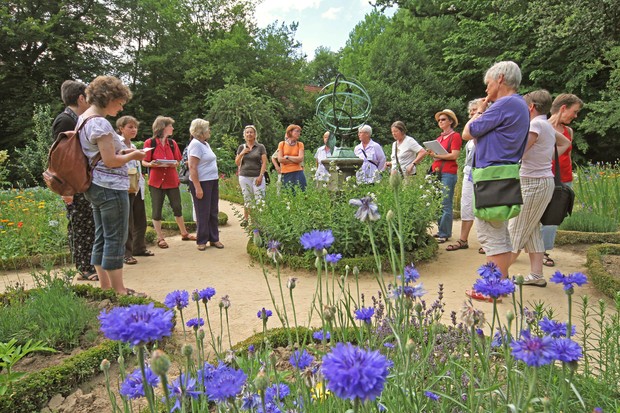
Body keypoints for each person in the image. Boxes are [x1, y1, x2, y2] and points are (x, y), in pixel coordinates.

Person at [462, 61, 530, 301]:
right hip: (501, 174)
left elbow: (467, 132)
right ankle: (500, 284)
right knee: (498, 231)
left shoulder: (505, 104)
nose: (486, 89)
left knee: (490, 233)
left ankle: (492, 290)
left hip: (492, 175)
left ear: (500, 78)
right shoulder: (518, 104)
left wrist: (480, 109)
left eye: (488, 83)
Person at [78, 76, 146, 295]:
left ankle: (106, 286)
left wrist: (124, 153)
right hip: (110, 187)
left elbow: (102, 154)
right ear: (108, 98)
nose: (121, 105)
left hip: (95, 186)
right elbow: (110, 161)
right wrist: (134, 155)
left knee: (102, 236)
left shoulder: (84, 119)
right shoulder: (100, 122)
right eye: (119, 100)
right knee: (115, 238)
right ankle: (120, 291)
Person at [509, 90, 571, 287]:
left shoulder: (535, 124)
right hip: (541, 181)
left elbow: (517, 152)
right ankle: (537, 276)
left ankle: (495, 278)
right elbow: (565, 142)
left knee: (515, 230)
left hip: (533, 183)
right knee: (533, 229)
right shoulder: (546, 124)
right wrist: (545, 158)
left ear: (531, 107)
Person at [51, 80, 97, 281]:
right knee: (80, 225)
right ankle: (85, 268)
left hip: (79, 181)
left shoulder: (74, 119)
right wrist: (66, 190)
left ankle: (89, 264)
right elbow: (60, 158)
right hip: (72, 183)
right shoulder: (65, 121)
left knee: (87, 223)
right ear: (80, 98)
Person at [541, 94, 584, 267]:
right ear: (563, 108)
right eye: (574, 111)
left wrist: (570, 174)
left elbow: (567, 155)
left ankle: (544, 251)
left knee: (553, 217)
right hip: (544, 178)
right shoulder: (542, 127)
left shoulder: (569, 131)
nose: (575, 116)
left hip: (564, 180)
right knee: (534, 215)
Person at [142, 116, 196, 248]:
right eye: (170, 126)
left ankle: (184, 233)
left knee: (177, 207)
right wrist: (152, 164)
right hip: (156, 182)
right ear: (163, 127)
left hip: (171, 180)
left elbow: (178, 161)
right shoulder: (149, 143)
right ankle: (160, 238)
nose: (172, 128)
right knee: (156, 210)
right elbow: (144, 161)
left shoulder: (172, 143)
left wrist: (174, 164)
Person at [447, 99, 484, 252]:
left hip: (483, 172)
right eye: (470, 112)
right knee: (466, 205)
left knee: (483, 206)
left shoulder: (488, 128)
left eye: (474, 110)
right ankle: (463, 240)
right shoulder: (471, 130)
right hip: (469, 171)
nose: (471, 114)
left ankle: (486, 242)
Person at [117, 116, 154, 265]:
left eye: (135, 127)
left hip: (137, 185)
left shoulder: (132, 145)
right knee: (128, 221)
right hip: (125, 186)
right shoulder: (117, 144)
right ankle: (127, 253)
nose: (134, 130)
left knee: (141, 219)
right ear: (121, 128)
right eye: (130, 127)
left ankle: (139, 247)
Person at [187, 119, 223, 250]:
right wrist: (197, 187)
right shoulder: (195, 144)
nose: (210, 131)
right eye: (208, 129)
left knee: (213, 210)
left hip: (212, 180)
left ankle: (214, 238)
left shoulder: (205, 144)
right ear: (200, 132)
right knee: (203, 212)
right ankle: (201, 240)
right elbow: (192, 167)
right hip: (202, 182)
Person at [427, 110, 462, 243]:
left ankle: (445, 233)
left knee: (445, 203)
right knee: (437, 202)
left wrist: (436, 155)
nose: (440, 122)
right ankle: (442, 230)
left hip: (448, 172)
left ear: (451, 121)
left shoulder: (455, 136)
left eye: (443, 119)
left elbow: (454, 155)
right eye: (439, 120)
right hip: (437, 172)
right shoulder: (439, 138)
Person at [235, 125, 267, 225]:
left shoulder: (260, 147)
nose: (249, 134)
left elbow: (264, 162)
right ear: (244, 135)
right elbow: (237, 162)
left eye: (251, 132)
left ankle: (258, 221)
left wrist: (261, 176)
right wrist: (242, 153)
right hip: (244, 176)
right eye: (247, 132)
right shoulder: (241, 147)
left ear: (255, 134)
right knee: (247, 198)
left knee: (259, 199)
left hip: (257, 176)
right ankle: (246, 219)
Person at [277, 124, 307, 191]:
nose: (299, 133)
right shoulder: (282, 144)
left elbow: (301, 159)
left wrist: (287, 157)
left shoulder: (300, 144)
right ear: (290, 132)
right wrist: (295, 160)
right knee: (288, 193)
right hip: (286, 172)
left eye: (299, 132)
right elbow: (280, 159)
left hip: (298, 172)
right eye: (297, 131)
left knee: (302, 192)